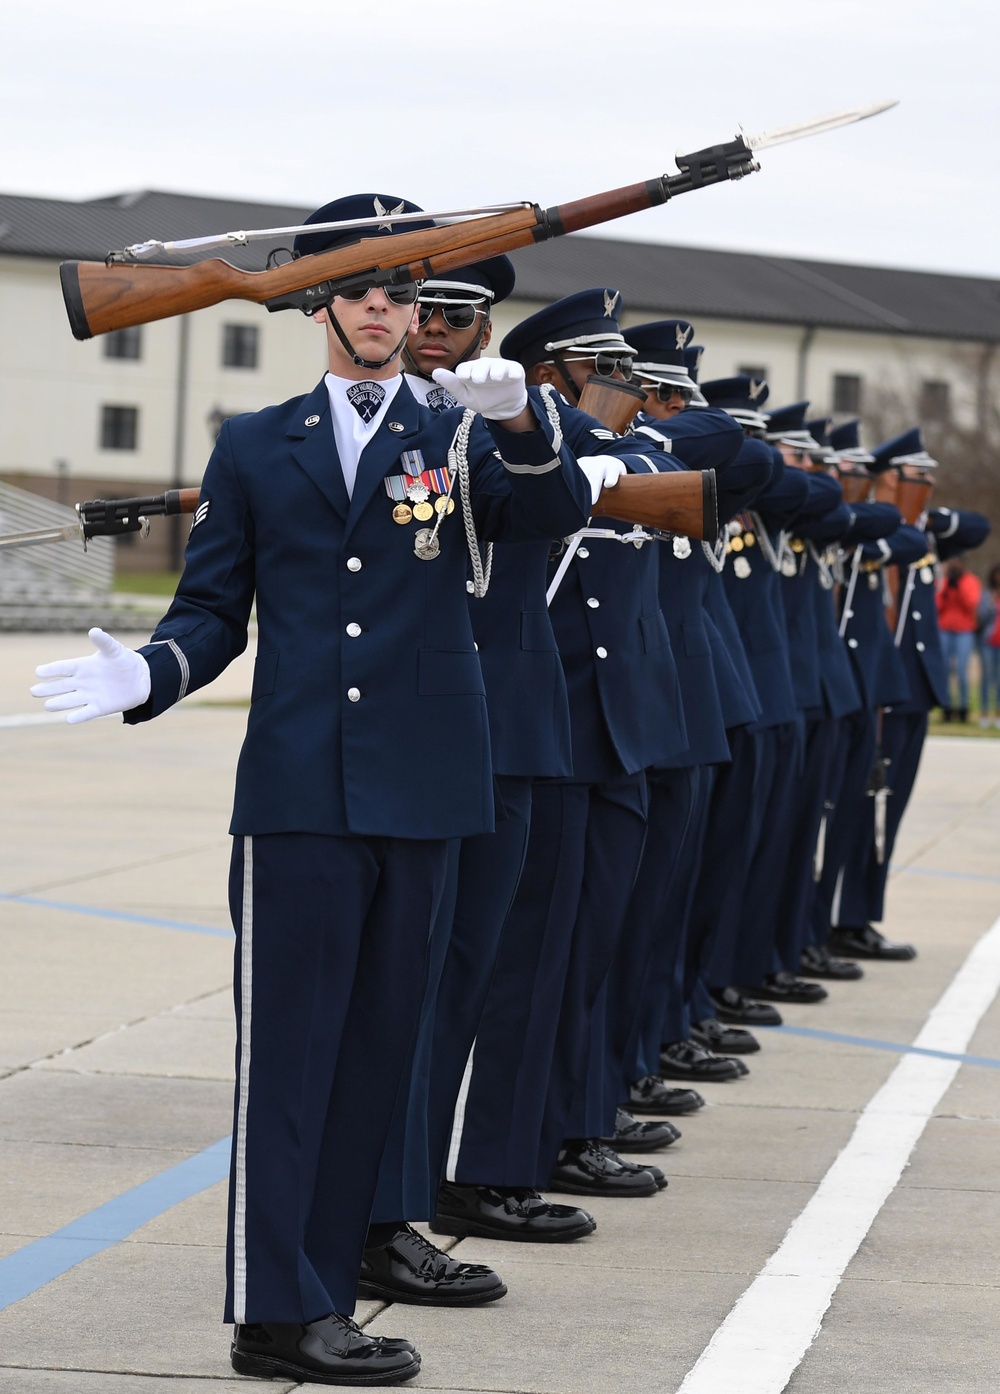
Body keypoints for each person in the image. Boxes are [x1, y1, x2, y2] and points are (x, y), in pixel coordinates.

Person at [31, 193, 596, 1389]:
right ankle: (270, 1309)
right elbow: (210, 612)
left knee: (380, 1055)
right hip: (297, 794)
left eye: (404, 290)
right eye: (365, 287)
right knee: (290, 1057)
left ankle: (324, 1297)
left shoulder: (461, 431)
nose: (388, 307)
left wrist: (528, 428)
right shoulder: (253, 442)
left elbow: (546, 519)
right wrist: (151, 671)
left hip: (428, 793)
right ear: (319, 301)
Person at [936, 553, 983, 721]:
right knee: (945, 670)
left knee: (962, 671)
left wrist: (959, 588)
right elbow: (936, 605)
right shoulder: (943, 580)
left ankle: (963, 708)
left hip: (964, 631)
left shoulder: (970, 581)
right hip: (945, 629)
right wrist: (947, 589)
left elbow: (972, 604)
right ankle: (946, 707)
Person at [978, 564, 1000, 726]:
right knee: (986, 678)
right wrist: (991, 604)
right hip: (988, 642)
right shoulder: (987, 595)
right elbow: (981, 618)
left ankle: (998, 713)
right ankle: (984, 712)